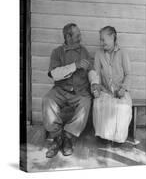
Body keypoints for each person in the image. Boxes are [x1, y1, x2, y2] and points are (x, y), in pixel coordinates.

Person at [42, 23, 98, 158]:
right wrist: (75, 66)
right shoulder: (57, 52)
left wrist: (95, 83)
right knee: (47, 100)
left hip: (80, 92)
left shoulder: (83, 51)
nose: (81, 38)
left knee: (86, 104)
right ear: (68, 36)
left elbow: (91, 70)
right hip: (60, 90)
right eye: (78, 35)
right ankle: (57, 138)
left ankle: (67, 137)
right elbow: (54, 74)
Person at [91, 26, 132, 143]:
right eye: (100, 40)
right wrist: (96, 88)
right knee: (99, 104)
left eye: (103, 39)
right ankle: (104, 136)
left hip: (120, 90)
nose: (101, 42)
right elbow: (96, 74)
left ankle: (118, 138)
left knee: (123, 108)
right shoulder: (99, 54)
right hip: (105, 90)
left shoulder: (123, 53)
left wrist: (123, 89)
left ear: (112, 37)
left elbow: (128, 74)